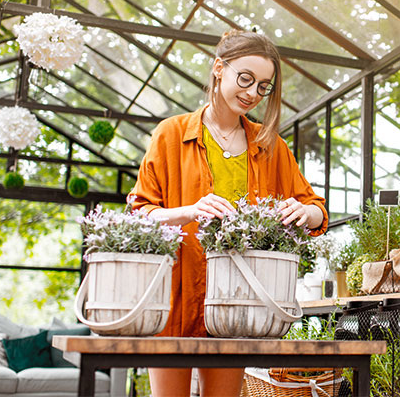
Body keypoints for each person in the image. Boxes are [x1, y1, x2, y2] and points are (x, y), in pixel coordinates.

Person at [129, 30, 328, 396]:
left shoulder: (270, 147)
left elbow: (317, 211)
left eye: (263, 87)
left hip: (236, 307)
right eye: (246, 79)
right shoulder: (170, 135)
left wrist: (304, 212)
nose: (252, 94)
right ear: (219, 69)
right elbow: (140, 214)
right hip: (175, 301)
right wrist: (189, 212)